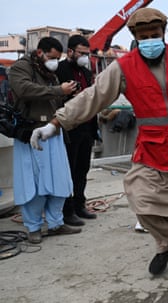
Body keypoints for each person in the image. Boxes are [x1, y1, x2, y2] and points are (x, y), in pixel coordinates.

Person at [29, 8, 168, 280]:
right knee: (139, 197)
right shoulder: (123, 67)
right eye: (144, 37)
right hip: (152, 148)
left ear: (163, 34)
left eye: (155, 35)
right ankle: (166, 245)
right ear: (135, 37)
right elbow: (93, 97)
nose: (150, 41)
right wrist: (55, 122)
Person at [8, 37, 82, 244]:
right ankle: (33, 227)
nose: (54, 62)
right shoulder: (20, 68)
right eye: (51, 57)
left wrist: (67, 94)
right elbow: (24, 90)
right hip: (30, 133)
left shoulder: (49, 73)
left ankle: (56, 223)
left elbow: (54, 99)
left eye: (57, 59)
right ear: (40, 52)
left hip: (53, 132)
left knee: (58, 180)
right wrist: (59, 90)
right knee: (33, 184)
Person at [56, 35, 98, 226]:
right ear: (70, 51)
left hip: (87, 126)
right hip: (70, 127)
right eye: (82, 53)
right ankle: (67, 209)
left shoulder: (87, 73)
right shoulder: (61, 70)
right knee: (69, 169)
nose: (84, 57)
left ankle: (80, 204)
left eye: (87, 54)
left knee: (82, 168)